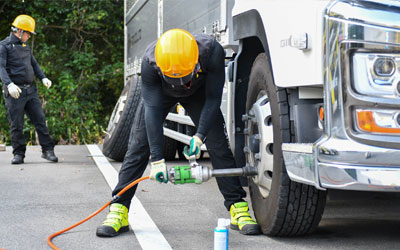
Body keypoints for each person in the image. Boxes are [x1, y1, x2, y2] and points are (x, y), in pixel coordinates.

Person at [96, 29, 261, 237]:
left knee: (218, 144)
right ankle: (119, 210)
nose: (180, 85)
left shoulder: (212, 52)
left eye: (184, 78)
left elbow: (213, 99)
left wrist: (199, 135)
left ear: (195, 63)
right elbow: (153, 112)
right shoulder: (150, 62)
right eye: (175, 79)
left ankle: (238, 207)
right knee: (139, 145)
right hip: (160, 95)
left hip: (199, 94)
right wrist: (157, 160)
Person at [0, 14, 58, 164]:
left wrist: (43, 77)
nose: (29, 37)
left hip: (30, 90)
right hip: (15, 92)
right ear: (19, 31)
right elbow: (0, 67)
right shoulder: (4, 46)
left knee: (40, 119)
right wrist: (9, 84)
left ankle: (48, 150)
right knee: (16, 124)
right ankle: (19, 154)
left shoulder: (26, 47)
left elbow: (34, 64)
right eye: (28, 33)